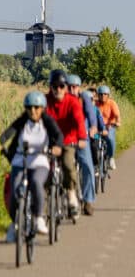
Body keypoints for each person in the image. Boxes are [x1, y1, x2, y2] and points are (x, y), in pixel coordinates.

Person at [0, 91, 63, 236]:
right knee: (14, 189)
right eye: (29, 108)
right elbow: (8, 133)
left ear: (42, 108)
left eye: (36, 107)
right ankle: (15, 223)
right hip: (20, 160)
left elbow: (58, 135)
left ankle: (38, 217)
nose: (32, 111)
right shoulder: (22, 121)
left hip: (40, 161)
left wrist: (57, 146)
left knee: (36, 182)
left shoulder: (47, 122)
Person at [45, 70, 87, 217]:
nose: (58, 90)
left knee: (68, 164)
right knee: (41, 168)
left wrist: (82, 137)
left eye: (61, 86)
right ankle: (46, 199)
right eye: (54, 86)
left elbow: (79, 120)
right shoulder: (45, 101)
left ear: (66, 87)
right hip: (50, 142)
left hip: (68, 140)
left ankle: (71, 194)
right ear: (50, 87)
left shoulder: (72, 101)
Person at [67, 74, 98, 214]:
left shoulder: (84, 97)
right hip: (66, 137)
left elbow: (91, 114)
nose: (72, 89)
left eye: (74, 87)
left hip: (81, 136)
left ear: (79, 87)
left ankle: (88, 200)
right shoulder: (62, 98)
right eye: (69, 87)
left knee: (87, 166)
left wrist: (92, 127)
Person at [95, 85, 121, 172]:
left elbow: (117, 115)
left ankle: (111, 158)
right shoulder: (95, 103)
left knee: (110, 138)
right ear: (98, 95)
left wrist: (117, 122)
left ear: (108, 95)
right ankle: (94, 159)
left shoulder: (112, 103)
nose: (103, 96)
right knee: (92, 139)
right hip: (98, 127)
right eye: (101, 94)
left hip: (110, 126)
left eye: (105, 94)